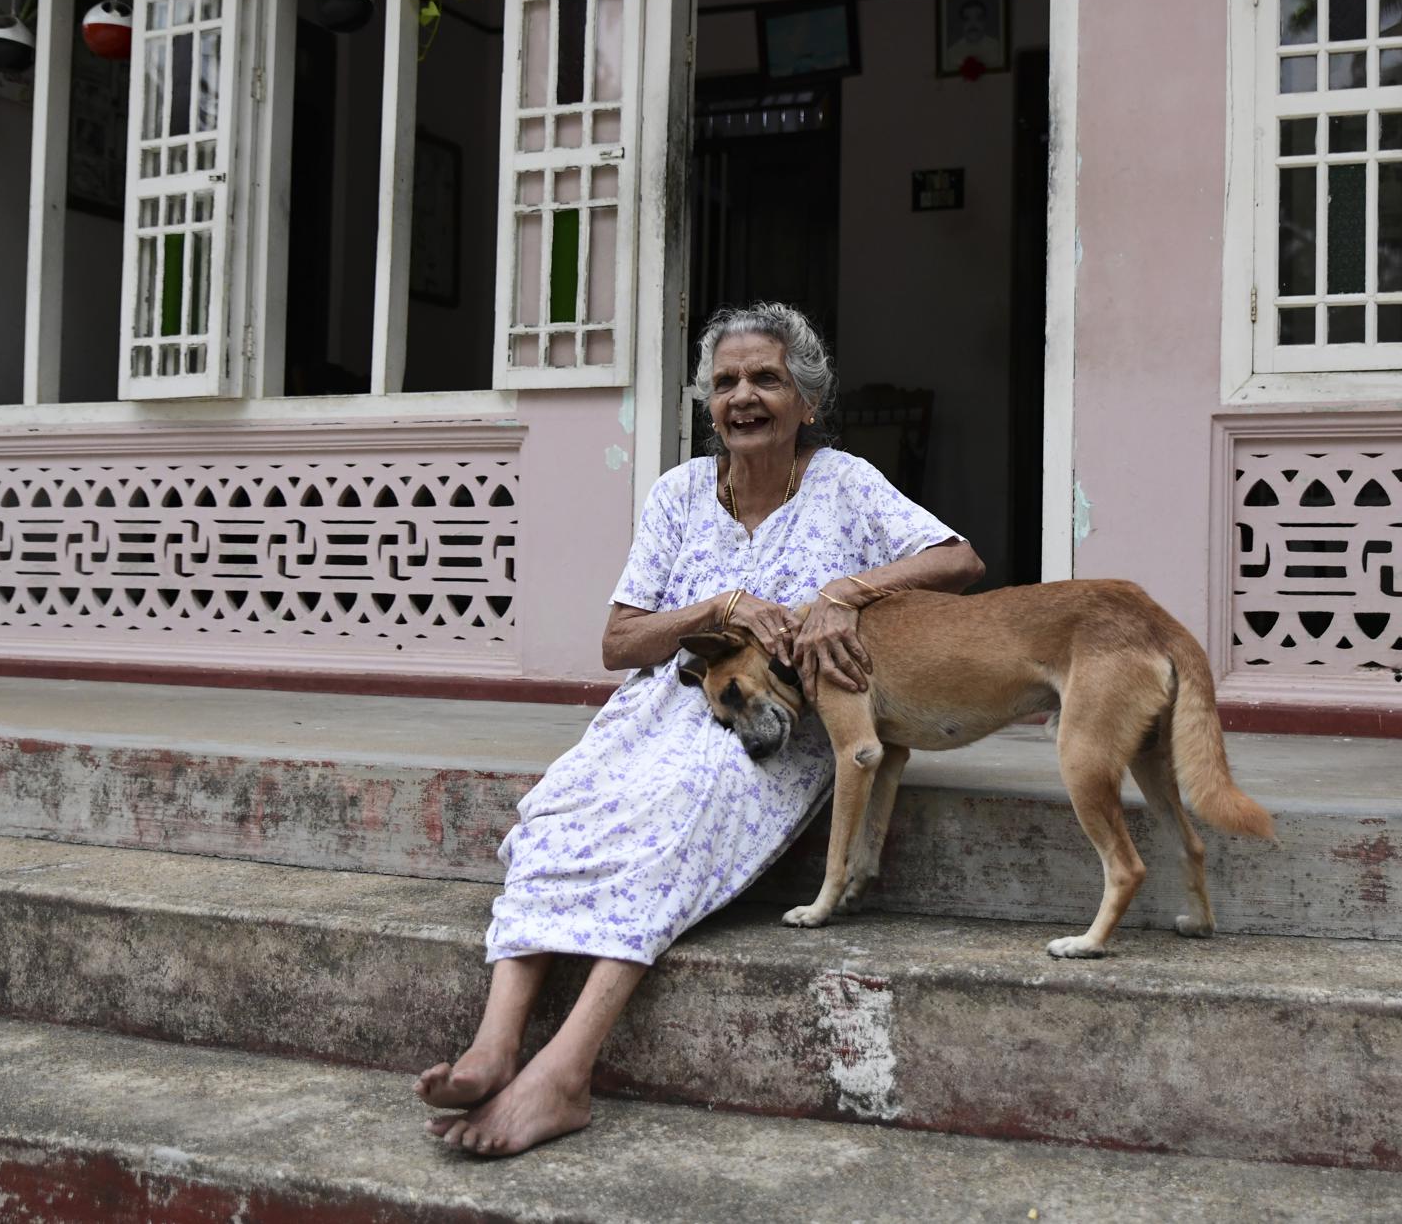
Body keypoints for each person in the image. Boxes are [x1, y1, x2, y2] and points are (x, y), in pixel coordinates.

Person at [413, 302, 984, 1156]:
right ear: (707, 403)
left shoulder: (846, 483)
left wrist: (844, 594)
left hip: (772, 725)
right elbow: (620, 639)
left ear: (807, 402)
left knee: (676, 808)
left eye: (766, 378)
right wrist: (718, 605)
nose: (743, 396)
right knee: (565, 803)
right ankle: (497, 1042)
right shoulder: (679, 493)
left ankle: (566, 1070)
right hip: (659, 709)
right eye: (725, 382)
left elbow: (960, 560)